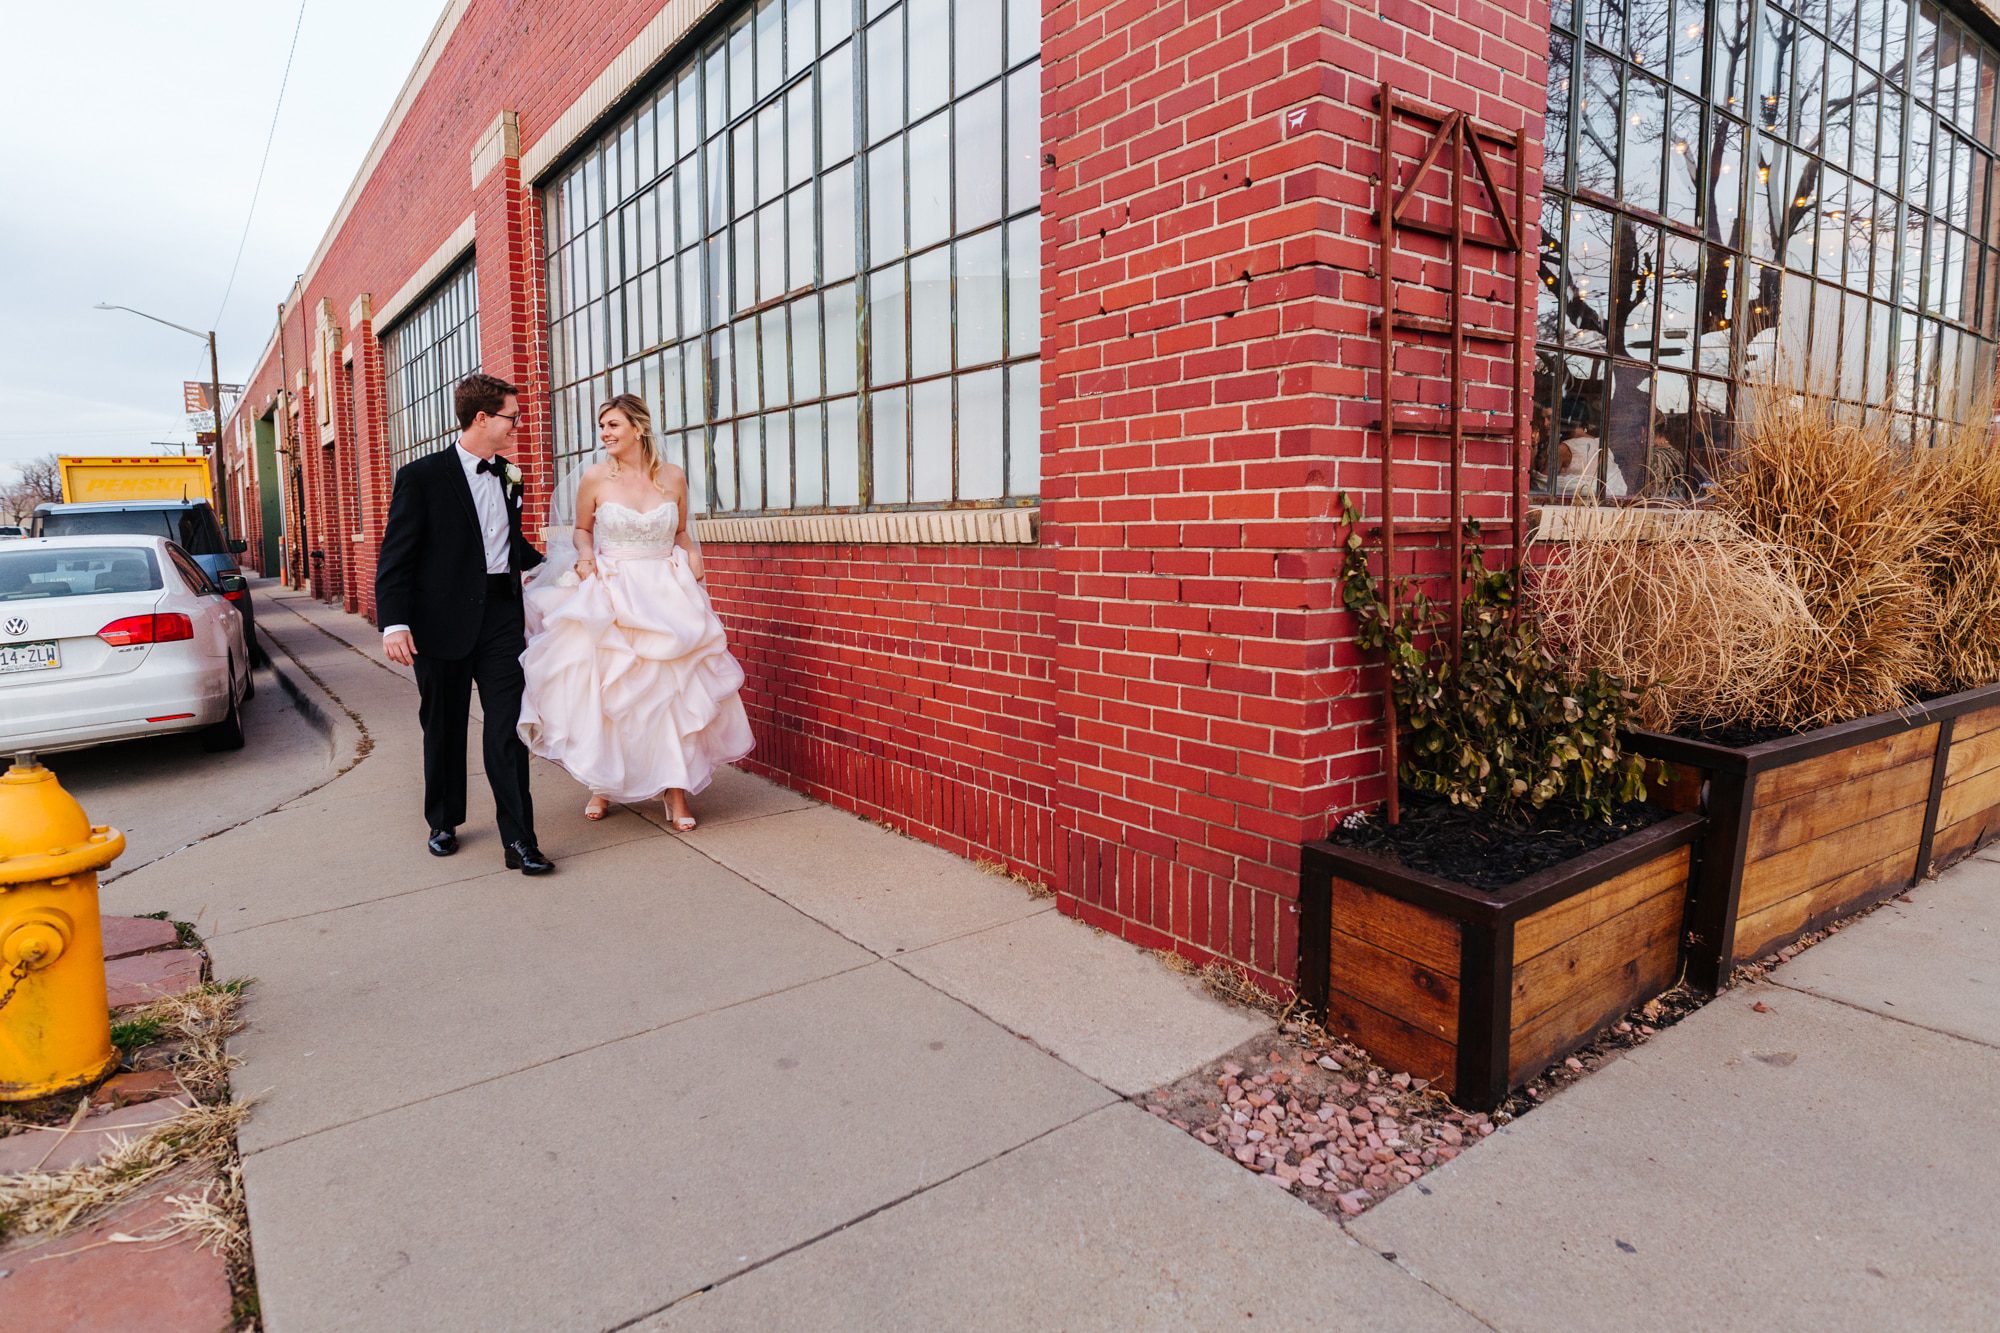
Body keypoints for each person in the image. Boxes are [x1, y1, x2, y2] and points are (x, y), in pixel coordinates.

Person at [518, 394, 752, 831]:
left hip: (667, 594)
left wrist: (694, 559)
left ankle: (675, 792)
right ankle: (603, 783)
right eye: (602, 426)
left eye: (612, 425)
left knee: (671, 694)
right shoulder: (594, 478)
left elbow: (682, 531)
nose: (604, 434)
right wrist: (585, 557)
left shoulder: (673, 477)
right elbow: (582, 531)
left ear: (638, 428)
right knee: (613, 692)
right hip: (615, 590)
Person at [375, 373, 553, 875]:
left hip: (500, 618)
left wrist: (555, 567)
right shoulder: (422, 476)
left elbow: (506, 544)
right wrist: (395, 624)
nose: (517, 425)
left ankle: (520, 841)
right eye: (511, 418)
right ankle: (445, 819)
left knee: (507, 729)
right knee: (444, 725)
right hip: (440, 623)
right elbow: (397, 557)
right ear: (482, 418)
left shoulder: (510, 475)